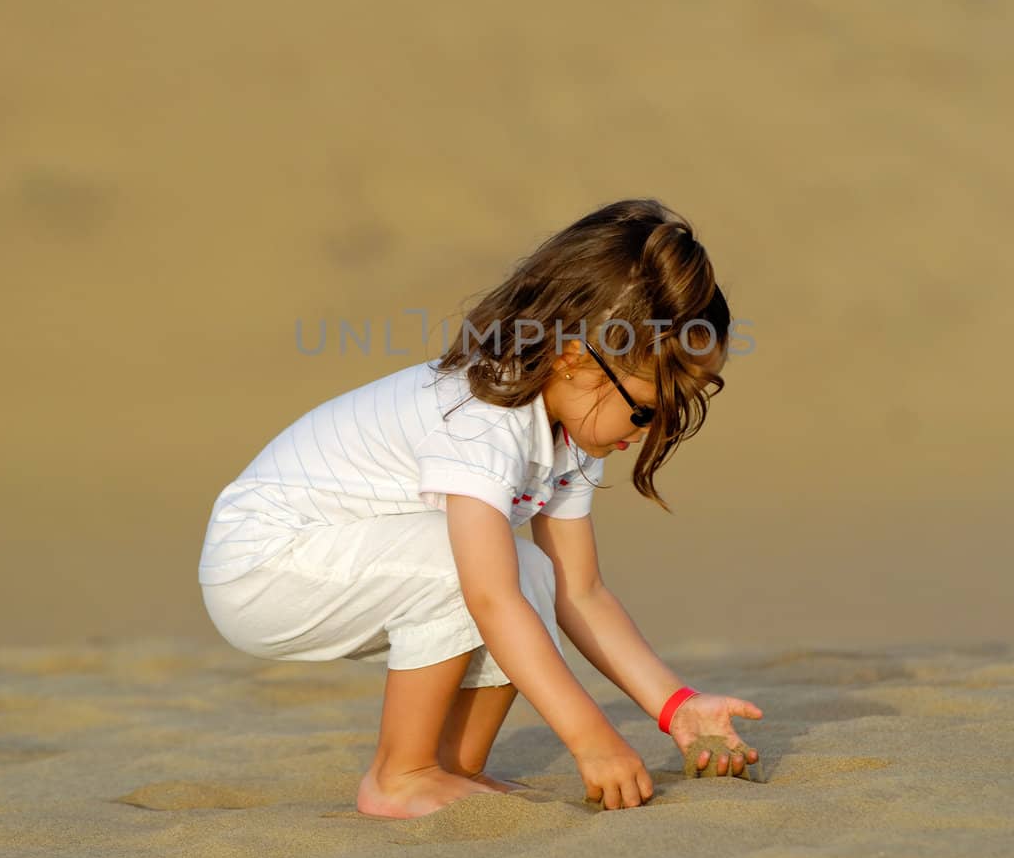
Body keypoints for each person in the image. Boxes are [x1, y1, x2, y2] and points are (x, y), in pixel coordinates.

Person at [198, 197, 763, 818]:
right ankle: (400, 774)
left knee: (534, 574)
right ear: (575, 359)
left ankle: (449, 768)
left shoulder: (568, 431)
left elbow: (583, 594)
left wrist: (674, 704)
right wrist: (592, 740)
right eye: (648, 408)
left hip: (340, 557)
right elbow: (488, 599)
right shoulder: (481, 416)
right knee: (478, 574)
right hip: (264, 564)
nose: (652, 431)